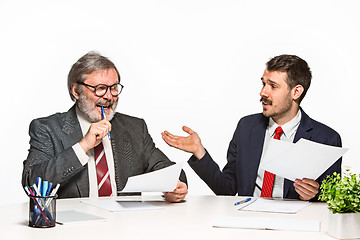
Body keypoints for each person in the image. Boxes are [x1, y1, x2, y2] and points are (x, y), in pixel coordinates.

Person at [162, 54, 342, 201]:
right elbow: (227, 189)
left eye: (273, 86)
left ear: (296, 92)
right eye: (263, 83)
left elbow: (334, 202)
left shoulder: (326, 139)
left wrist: (315, 195)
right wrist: (199, 152)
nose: (263, 92)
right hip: (248, 223)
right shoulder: (247, 127)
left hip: (295, 227)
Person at [22, 51, 187, 203]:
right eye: (100, 88)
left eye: (114, 88)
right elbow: (31, 182)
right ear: (76, 91)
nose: (109, 97)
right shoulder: (47, 128)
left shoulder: (135, 128)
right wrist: (83, 146)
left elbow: (168, 170)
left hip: (124, 227)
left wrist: (175, 185)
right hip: (74, 229)